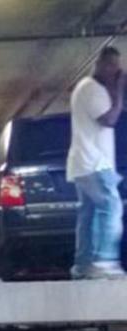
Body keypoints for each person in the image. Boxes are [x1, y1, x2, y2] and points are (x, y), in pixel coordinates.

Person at [68, 46, 127, 279]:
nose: (116, 70)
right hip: (95, 163)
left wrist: (116, 89)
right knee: (111, 207)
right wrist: (119, 90)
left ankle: (83, 265)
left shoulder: (92, 89)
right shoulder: (91, 89)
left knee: (89, 212)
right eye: (112, 65)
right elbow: (111, 118)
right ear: (100, 65)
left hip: (84, 163)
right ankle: (104, 261)